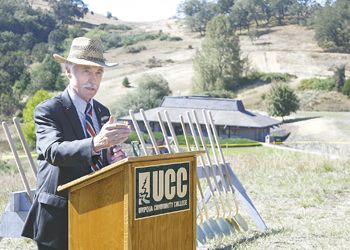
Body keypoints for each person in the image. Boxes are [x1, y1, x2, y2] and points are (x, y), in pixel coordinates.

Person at [21, 37, 131, 250]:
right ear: (68, 72)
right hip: (58, 219)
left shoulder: (102, 111)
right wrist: (96, 144)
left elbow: (97, 159)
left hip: (97, 211)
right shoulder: (49, 110)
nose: (93, 79)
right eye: (86, 71)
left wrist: (111, 159)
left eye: (98, 72)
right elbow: (53, 151)